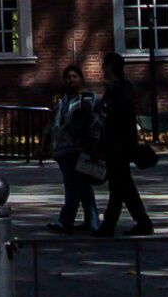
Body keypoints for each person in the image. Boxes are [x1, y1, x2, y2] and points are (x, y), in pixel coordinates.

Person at [97, 62, 154, 235]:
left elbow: (121, 118)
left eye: (105, 67)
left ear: (111, 68)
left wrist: (104, 114)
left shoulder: (121, 90)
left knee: (121, 186)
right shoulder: (116, 88)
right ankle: (115, 224)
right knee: (120, 187)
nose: (103, 70)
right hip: (116, 145)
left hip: (119, 146)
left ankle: (119, 224)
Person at [48, 66, 100, 234]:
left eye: (74, 76)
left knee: (72, 186)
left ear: (81, 79)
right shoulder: (61, 101)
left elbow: (94, 124)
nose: (71, 80)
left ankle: (65, 221)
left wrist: (94, 146)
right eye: (68, 77)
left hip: (78, 149)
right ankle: (92, 221)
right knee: (83, 187)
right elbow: (54, 123)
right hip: (62, 149)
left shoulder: (88, 100)